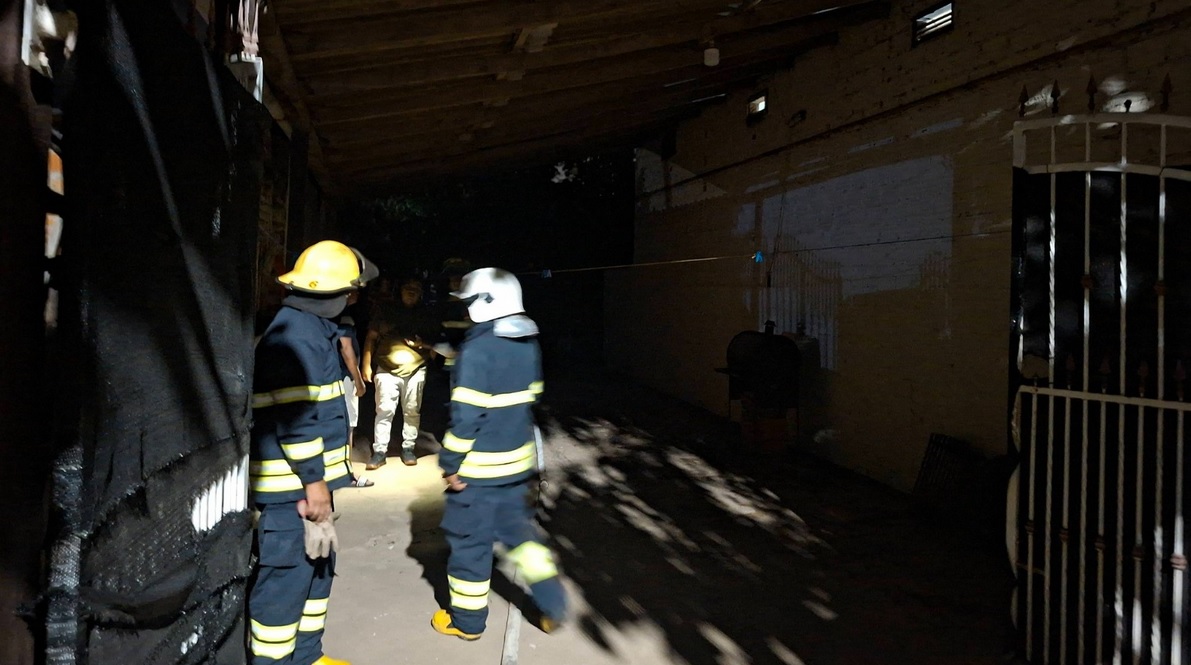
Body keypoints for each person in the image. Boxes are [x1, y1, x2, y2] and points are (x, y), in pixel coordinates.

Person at [248, 240, 371, 665]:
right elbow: (296, 419)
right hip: (292, 492)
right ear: (336, 294)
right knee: (284, 587)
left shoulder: (313, 329)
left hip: (307, 488)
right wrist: (315, 484)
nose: (354, 298)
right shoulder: (296, 337)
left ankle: (306, 657)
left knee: (316, 571)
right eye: (351, 291)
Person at [432, 267, 567, 641]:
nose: (465, 311)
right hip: (516, 466)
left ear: (486, 303)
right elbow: (532, 394)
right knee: (523, 539)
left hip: (477, 472)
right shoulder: (529, 344)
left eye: (469, 303)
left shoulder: (477, 349)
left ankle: (466, 622)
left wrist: (450, 463)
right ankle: (554, 606)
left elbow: (466, 417)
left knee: (470, 545)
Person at [363, 278, 438, 468]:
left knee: (412, 410)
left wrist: (423, 344)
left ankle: (408, 448)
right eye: (407, 288)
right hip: (386, 368)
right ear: (400, 290)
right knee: (384, 410)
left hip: (416, 369)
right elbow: (371, 337)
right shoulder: (386, 310)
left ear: (421, 293)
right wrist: (366, 364)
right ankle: (379, 451)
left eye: (415, 289)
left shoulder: (426, 314)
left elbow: (436, 343)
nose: (411, 292)